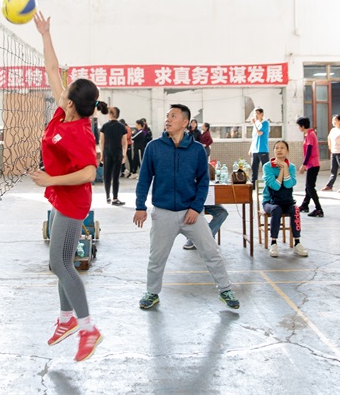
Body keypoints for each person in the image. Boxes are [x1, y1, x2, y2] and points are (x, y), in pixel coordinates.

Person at [31, 11, 102, 362]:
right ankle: (65, 320)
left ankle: (87, 328)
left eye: (66, 90)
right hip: (62, 198)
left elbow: (89, 172)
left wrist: (51, 179)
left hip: (73, 202)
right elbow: (52, 70)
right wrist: (45, 34)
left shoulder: (80, 132)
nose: (61, 90)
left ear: (72, 102)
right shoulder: (64, 112)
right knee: (60, 260)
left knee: (60, 264)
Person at [134, 104, 239, 311]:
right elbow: (144, 179)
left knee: (211, 252)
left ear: (185, 122)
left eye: (173, 116)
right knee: (157, 257)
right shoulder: (154, 147)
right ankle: (152, 293)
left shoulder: (197, 150)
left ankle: (225, 289)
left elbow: (203, 182)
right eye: (167, 116)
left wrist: (195, 208)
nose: (168, 119)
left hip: (191, 212)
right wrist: (140, 206)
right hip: (163, 212)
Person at [262, 141, 308, 257]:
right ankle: (273, 243)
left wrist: (285, 167)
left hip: (286, 201)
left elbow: (288, 185)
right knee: (276, 209)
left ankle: (297, 243)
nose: (279, 150)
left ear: (287, 151)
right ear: (273, 151)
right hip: (270, 202)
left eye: (282, 148)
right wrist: (282, 169)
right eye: (276, 148)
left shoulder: (291, 167)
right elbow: (275, 186)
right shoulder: (267, 166)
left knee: (295, 209)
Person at [183, 164, 228, 250]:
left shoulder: (209, 167)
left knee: (223, 213)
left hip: (208, 199)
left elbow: (212, 179)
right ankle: (195, 239)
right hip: (194, 201)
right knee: (197, 212)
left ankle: (204, 239)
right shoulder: (189, 165)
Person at [99, 107, 128, 206]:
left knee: (107, 175)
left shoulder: (105, 126)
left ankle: (107, 197)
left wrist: (102, 154)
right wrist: (124, 154)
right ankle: (115, 198)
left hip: (107, 153)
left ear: (110, 114)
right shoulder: (122, 127)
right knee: (116, 177)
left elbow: (102, 141)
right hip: (118, 153)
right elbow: (124, 142)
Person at [296, 117, 323, 217]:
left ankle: (319, 209)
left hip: (313, 164)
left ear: (303, 126)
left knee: (310, 187)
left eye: (299, 126)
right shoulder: (309, 134)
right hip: (311, 164)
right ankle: (305, 205)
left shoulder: (310, 135)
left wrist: (304, 164)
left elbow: (309, 152)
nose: (298, 128)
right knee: (308, 186)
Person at [249, 108, 270, 186]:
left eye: (257, 113)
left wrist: (254, 123)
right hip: (255, 150)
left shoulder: (265, 123)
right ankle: (253, 184)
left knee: (266, 168)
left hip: (263, 149)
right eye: (255, 114)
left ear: (262, 114)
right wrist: (251, 149)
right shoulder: (256, 124)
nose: (256, 115)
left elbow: (259, 133)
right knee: (254, 168)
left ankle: (268, 183)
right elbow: (254, 138)